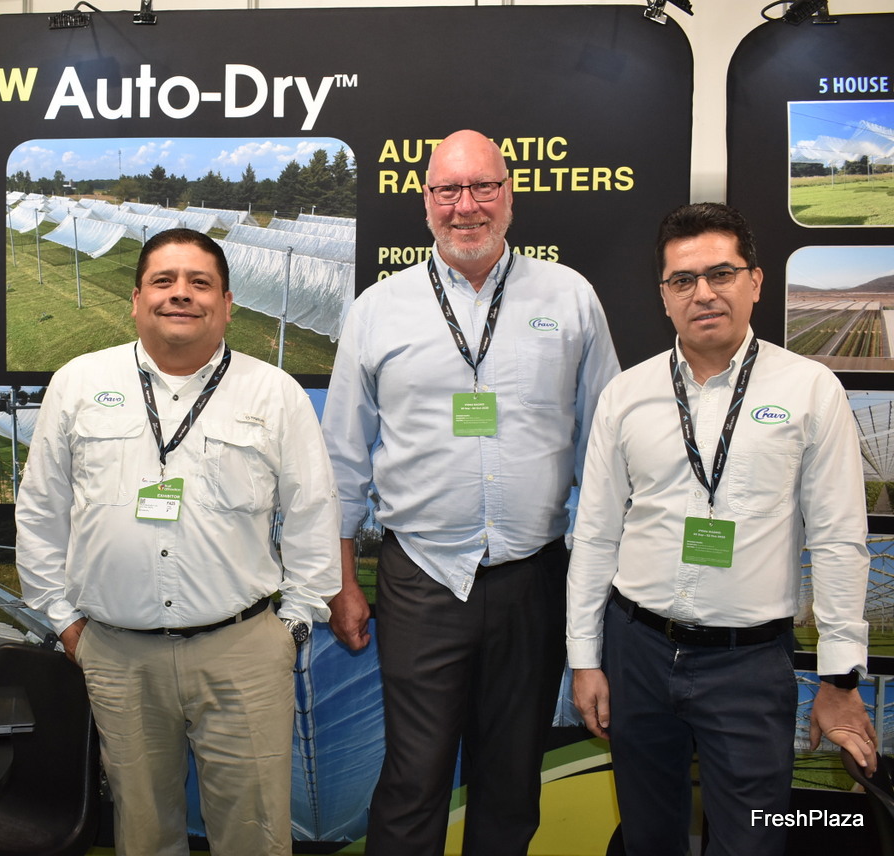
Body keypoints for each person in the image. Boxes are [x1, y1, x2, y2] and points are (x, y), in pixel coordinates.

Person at [324, 129, 620, 855]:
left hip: (533, 578)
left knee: (512, 781)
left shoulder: (571, 297)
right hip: (421, 578)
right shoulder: (377, 309)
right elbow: (342, 459)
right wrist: (342, 581)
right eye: (448, 190)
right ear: (425, 200)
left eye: (483, 186)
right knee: (414, 778)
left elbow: (607, 451)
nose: (466, 206)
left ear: (509, 196)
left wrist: (598, 586)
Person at [15, 228, 341, 856]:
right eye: (163, 281)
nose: (181, 294)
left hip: (242, 653)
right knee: (142, 833)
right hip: (117, 654)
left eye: (200, 283)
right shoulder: (78, 383)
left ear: (227, 303)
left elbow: (312, 511)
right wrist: (63, 619)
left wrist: (294, 624)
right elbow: (41, 507)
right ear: (136, 300)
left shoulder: (274, 393)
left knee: (254, 834)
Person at [566, 202, 876, 856]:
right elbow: (594, 534)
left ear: (755, 282)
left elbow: (839, 539)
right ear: (664, 296)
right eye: (683, 280)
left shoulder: (810, 389)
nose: (702, 293)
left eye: (721, 274)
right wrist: (586, 659)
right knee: (649, 838)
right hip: (637, 652)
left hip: (748, 664)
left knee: (752, 843)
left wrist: (841, 678)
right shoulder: (627, 394)